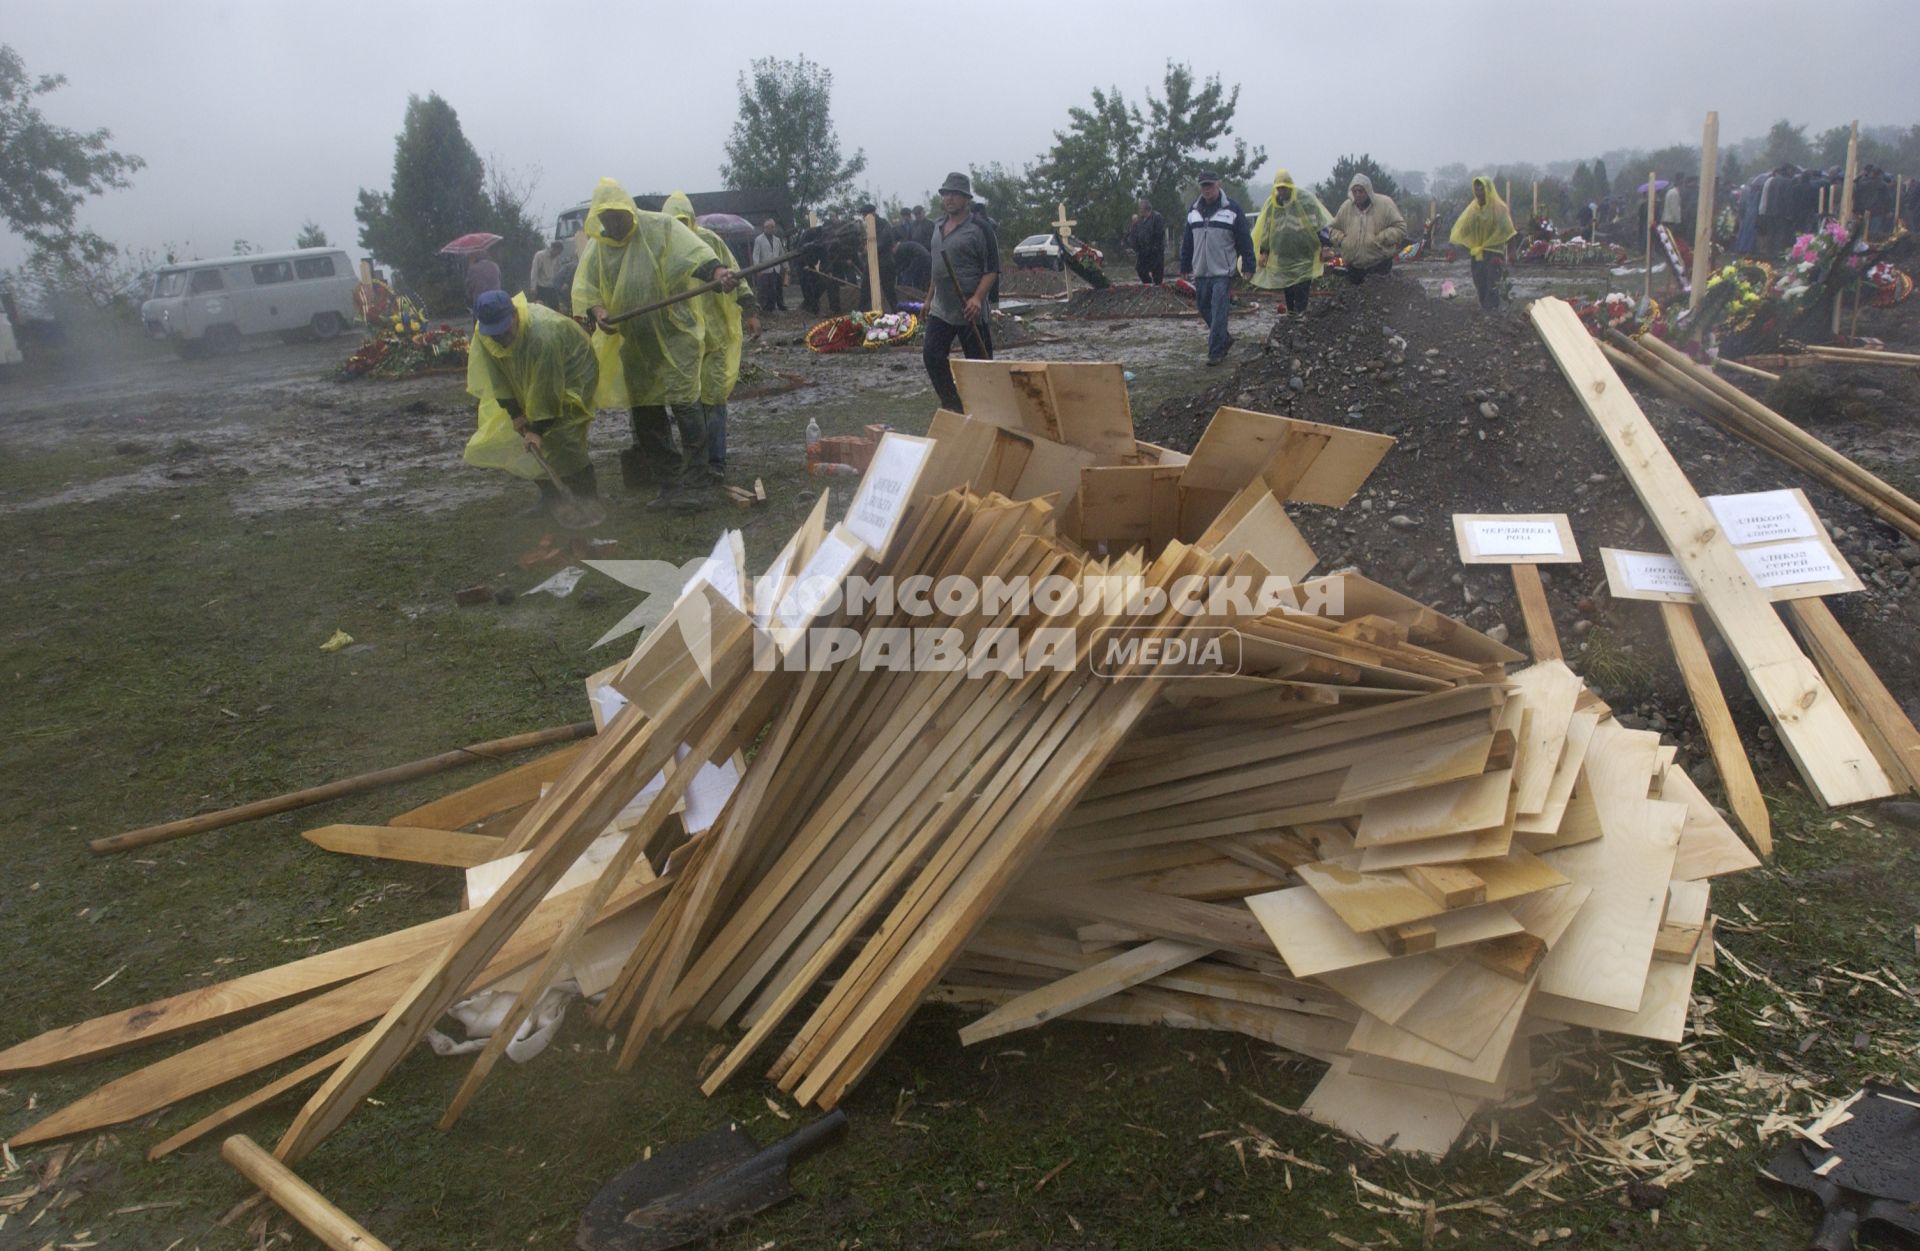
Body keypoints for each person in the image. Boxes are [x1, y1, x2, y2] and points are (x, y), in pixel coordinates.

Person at [570, 177, 735, 510]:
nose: (613, 225)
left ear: (628, 210)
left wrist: (718, 273)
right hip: (637, 343)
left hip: (676, 335)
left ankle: (697, 481)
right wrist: (599, 311)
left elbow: (695, 255)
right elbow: (586, 287)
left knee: (687, 406)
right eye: (605, 220)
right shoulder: (599, 246)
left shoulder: (659, 228)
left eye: (617, 217)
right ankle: (670, 484)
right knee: (646, 413)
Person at [463, 288, 600, 516]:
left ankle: (587, 499)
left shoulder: (544, 334)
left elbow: (548, 389)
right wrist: (516, 414)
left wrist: (537, 429)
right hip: (529, 373)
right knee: (526, 440)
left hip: (572, 372)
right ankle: (551, 499)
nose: (500, 339)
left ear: (514, 314)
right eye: (494, 333)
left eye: (504, 331)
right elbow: (498, 378)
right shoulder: (486, 334)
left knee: (563, 437)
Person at [665, 192, 759, 480]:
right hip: (682, 337)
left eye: (684, 222)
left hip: (715, 334)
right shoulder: (662, 248)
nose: (680, 228)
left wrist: (750, 309)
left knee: (714, 399)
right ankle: (696, 461)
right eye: (674, 223)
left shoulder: (709, 242)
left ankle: (716, 462)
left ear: (691, 221)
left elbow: (734, 273)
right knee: (688, 402)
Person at [924, 171, 999, 412]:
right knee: (932, 356)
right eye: (946, 193)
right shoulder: (937, 227)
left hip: (970, 310)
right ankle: (953, 405)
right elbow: (937, 268)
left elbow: (992, 270)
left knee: (979, 366)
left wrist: (978, 298)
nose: (950, 198)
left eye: (955, 194)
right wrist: (928, 299)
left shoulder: (981, 229)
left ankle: (986, 409)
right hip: (942, 308)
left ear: (966, 198)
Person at [1178, 172, 1255, 366]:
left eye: (1210, 185)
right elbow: (1188, 241)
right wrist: (1185, 264)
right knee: (1203, 307)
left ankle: (1215, 351)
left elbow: (1244, 239)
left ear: (1218, 185)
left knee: (1219, 309)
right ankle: (1224, 338)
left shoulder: (1232, 209)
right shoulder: (1193, 211)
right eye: (1204, 186)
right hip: (1201, 270)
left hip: (1223, 270)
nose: (1207, 189)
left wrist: (1248, 264)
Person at [1250, 169, 1333, 315]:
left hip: (1304, 255)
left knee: (1301, 289)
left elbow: (1319, 223)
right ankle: (1292, 317)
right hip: (1283, 257)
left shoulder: (1305, 200)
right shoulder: (1272, 204)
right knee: (1288, 289)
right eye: (1279, 188)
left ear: (1290, 186)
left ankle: (1300, 318)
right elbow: (1266, 229)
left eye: (1284, 187)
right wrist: (1264, 251)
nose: (1282, 191)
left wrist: (1325, 245)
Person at [1450, 176, 1517, 311]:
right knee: (1480, 284)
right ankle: (1486, 313)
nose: (1479, 191)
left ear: (1488, 189)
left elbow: (1509, 231)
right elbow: (1463, 228)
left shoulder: (1499, 209)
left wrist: (1511, 251)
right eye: (1476, 188)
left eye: (1482, 188)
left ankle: (1492, 314)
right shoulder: (1473, 209)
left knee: (1492, 284)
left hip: (1494, 254)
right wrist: (1454, 247)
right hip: (1477, 254)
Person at [1327, 173, 1408, 284]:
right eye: (1355, 191)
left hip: (1380, 264)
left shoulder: (1385, 204)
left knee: (1379, 299)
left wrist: (1382, 238)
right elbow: (1332, 229)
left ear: (1368, 190)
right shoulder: (1346, 207)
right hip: (1353, 266)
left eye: (1361, 191)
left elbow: (1401, 227)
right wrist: (1342, 240)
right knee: (1356, 299)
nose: (1358, 194)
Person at [857, 205, 899, 311]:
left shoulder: (884, 224)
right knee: (865, 288)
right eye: (863, 215)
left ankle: (896, 312)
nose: (864, 218)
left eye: (865, 215)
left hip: (884, 261)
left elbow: (885, 241)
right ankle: (863, 314)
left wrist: (870, 248)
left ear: (872, 214)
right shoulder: (867, 226)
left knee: (888, 290)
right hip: (871, 262)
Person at [1125, 197, 1167, 285]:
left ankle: (1157, 288)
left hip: (1155, 251)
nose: (1139, 210)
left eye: (1140, 208)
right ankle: (1148, 284)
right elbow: (1135, 234)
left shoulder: (1157, 217)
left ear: (1145, 208)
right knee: (1140, 269)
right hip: (1143, 251)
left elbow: (1159, 234)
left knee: (1157, 274)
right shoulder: (1140, 220)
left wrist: (1154, 247)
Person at [750, 219, 787, 311]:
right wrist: (757, 268)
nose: (771, 229)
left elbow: (781, 253)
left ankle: (780, 304)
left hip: (776, 268)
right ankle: (765, 307)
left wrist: (786, 266)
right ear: (765, 228)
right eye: (769, 227)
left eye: (773, 227)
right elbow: (756, 255)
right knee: (764, 290)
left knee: (777, 288)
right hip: (764, 269)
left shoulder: (777, 240)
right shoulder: (758, 239)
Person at [528, 239, 567, 308]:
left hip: (552, 287)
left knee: (555, 308)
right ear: (553, 248)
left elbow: (559, 272)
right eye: (558, 252)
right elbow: (534, 272)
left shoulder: (557, 258)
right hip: (541, 286)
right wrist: (533, 287)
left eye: (559, 253)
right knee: (539, 308)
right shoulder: (540, 255)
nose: (558, 254)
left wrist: (561, 284)